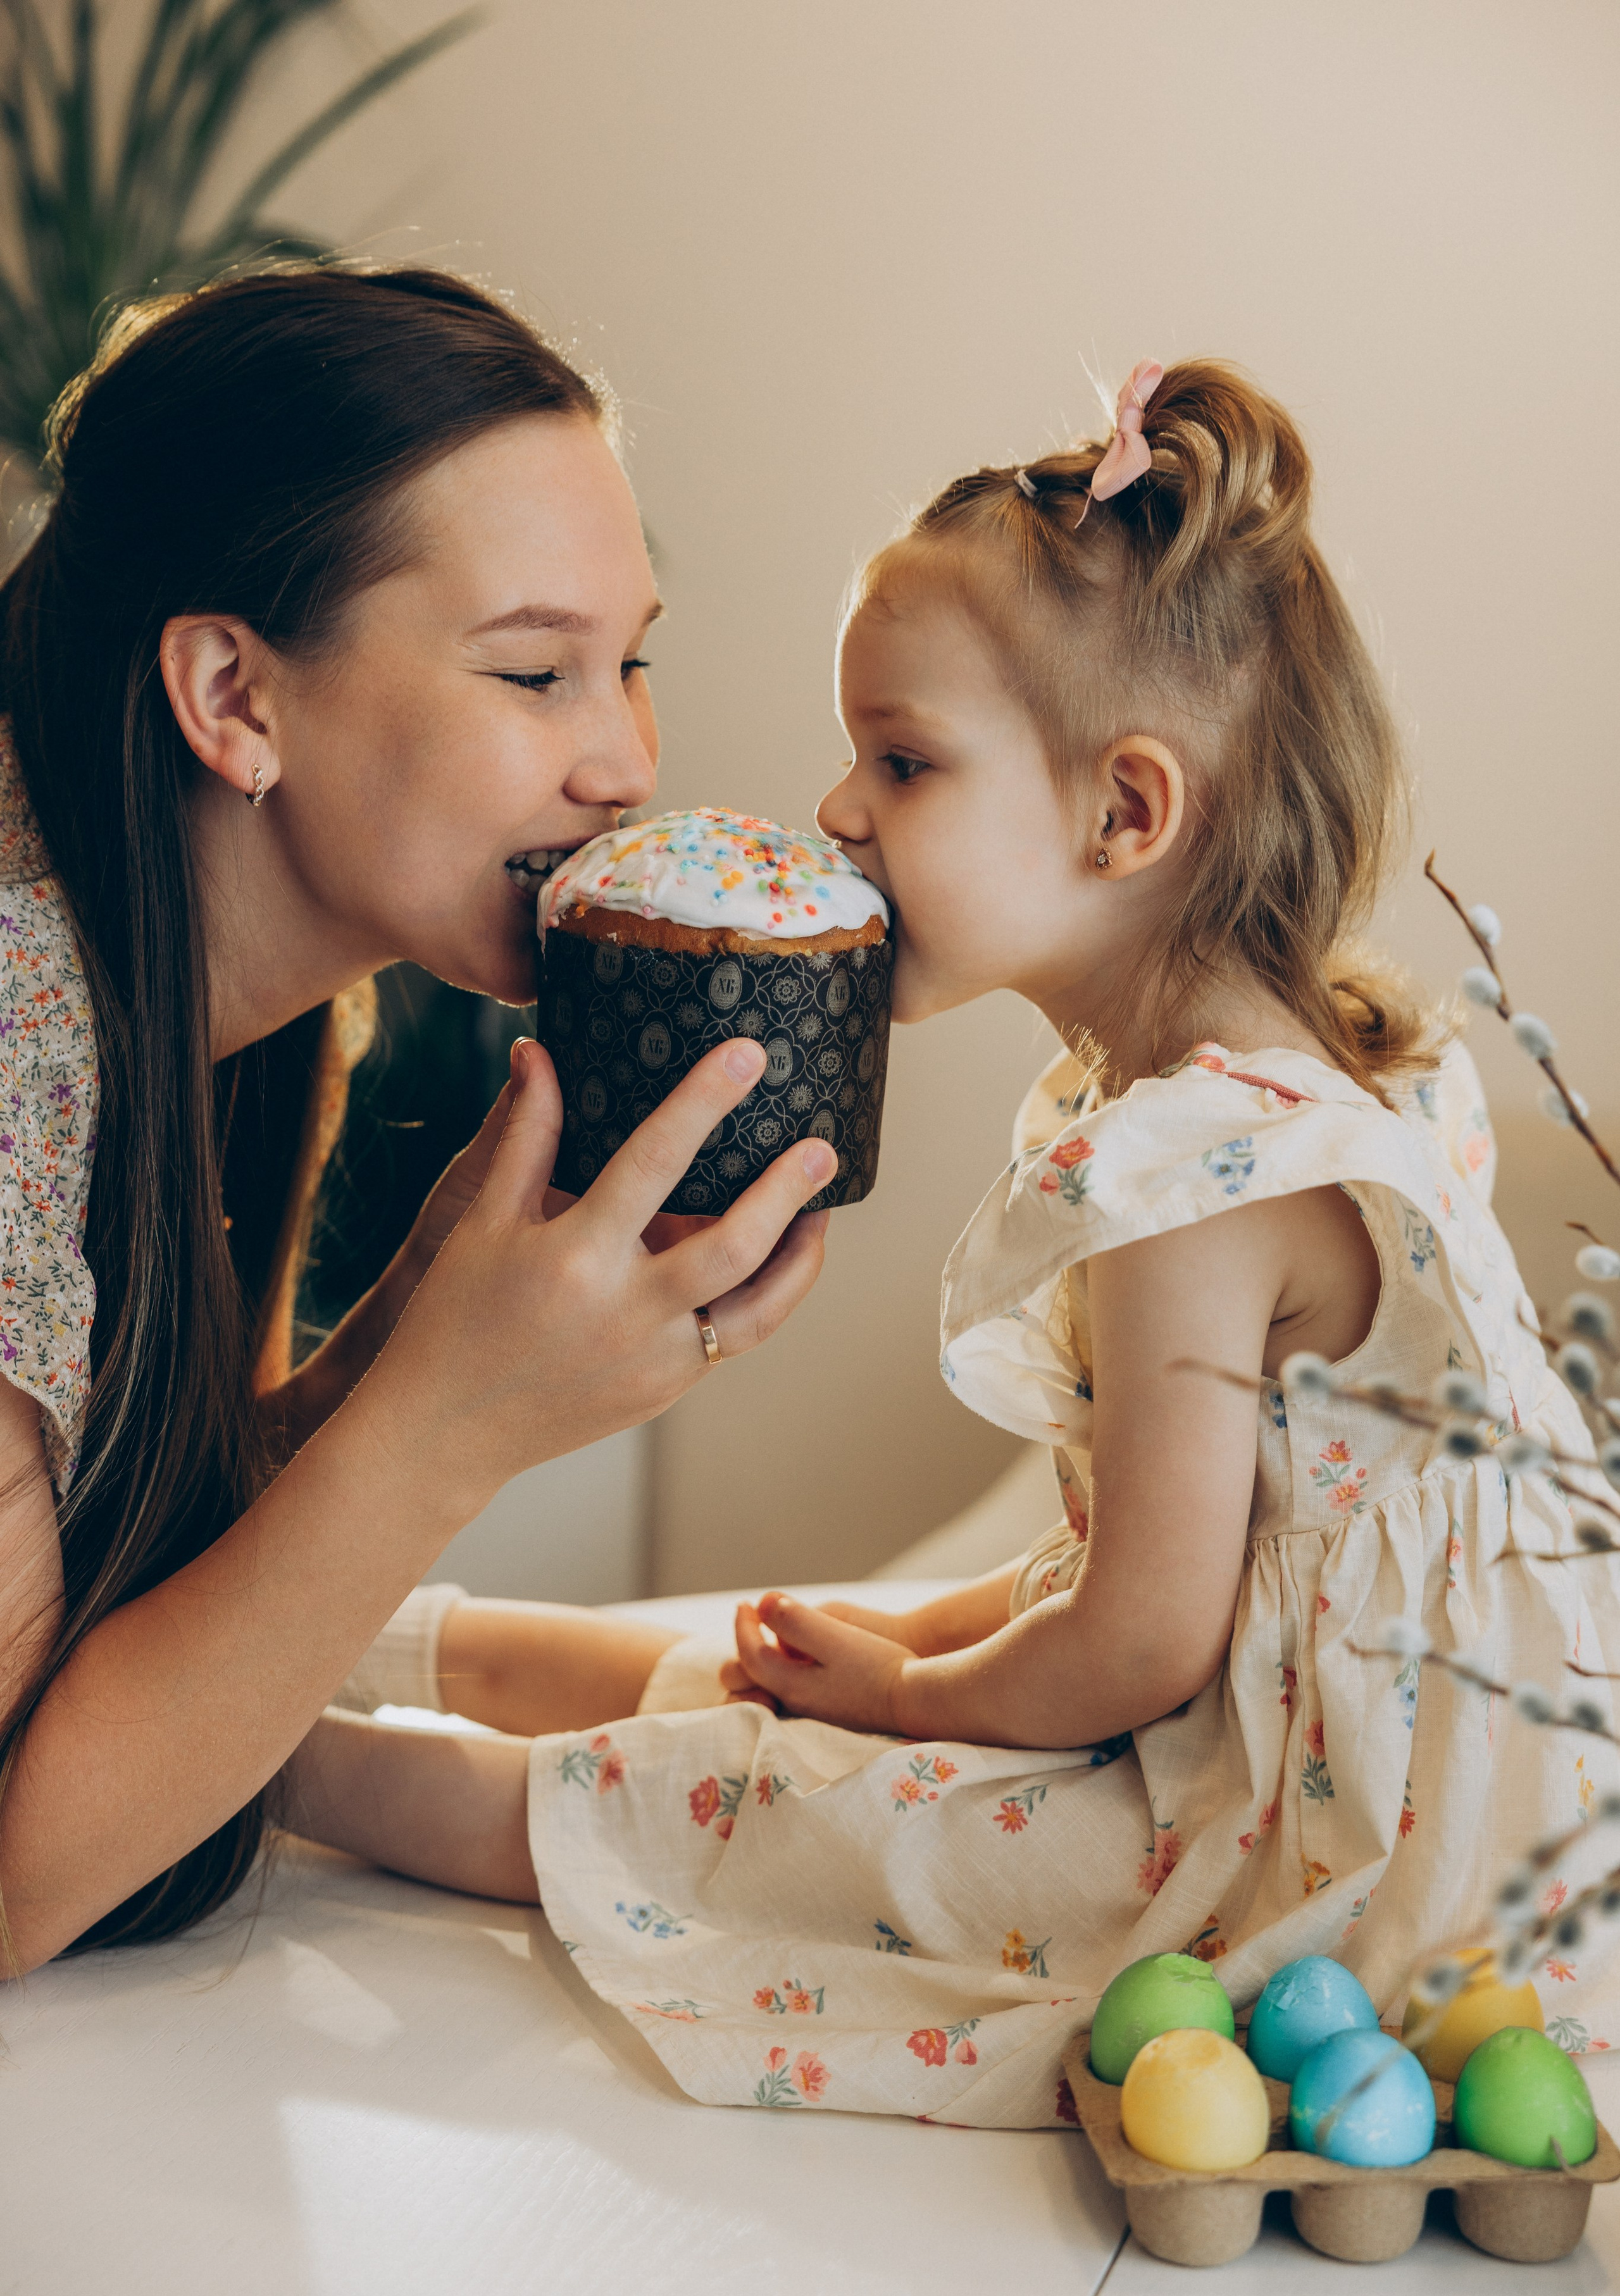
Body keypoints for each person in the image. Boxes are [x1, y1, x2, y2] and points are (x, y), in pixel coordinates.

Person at [309, 356, 1620, 2126]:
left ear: (1126, 812)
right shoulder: (1316, 1086)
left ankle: (275, 1772)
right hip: (1372, 1773)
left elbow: (1148, 1642)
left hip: (1355, 1869)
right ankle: (364, 1640)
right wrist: (911, 1658)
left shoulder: (1199, 1173)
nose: (840, 813)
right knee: (786, 1660)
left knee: (792, 1805)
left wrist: (920, 1701)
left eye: (903, 762)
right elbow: (1198, 1582)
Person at [0, 265, 837, 1975]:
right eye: (535, 673)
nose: (624, 763)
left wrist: (415, 1335)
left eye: (632, 661)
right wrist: (454, 1421)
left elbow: (129, 1604)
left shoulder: (242, 1000)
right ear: (234, 696)